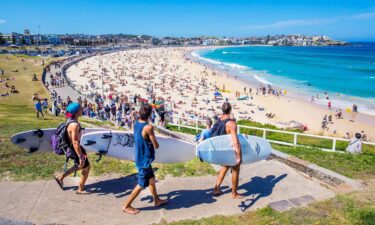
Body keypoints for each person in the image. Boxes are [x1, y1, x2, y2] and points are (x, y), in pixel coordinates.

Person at [122, 104, 167, 214]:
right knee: (141, 185)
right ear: (150, 114)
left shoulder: (137, 123)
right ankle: (126, 206)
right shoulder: (148, 127)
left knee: (151, 179)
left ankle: (156, 200)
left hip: (140, 156)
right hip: (144, 160)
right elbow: (155, 144)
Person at [54, 103, 91, 194]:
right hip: (75, 149)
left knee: (81, 166)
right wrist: (80, 156)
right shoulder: (74, 125)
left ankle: (61, 177)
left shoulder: (69, 120)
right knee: (86, 168)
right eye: (81, 109)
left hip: (74, 148)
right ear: (76, 112)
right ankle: (80, 189)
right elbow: (75, 142)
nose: (82, 110)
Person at [211, 102, 243, 199]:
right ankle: (234, 193)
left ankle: (216, 189)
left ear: (222, 110)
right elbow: (235, 141)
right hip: (230, 149)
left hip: (222, 148)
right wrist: (238, 156)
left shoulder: (219, 120)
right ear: (230, 110)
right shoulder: (231, 124)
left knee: (225, 167)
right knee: (235, 170)